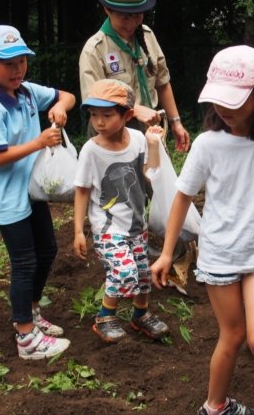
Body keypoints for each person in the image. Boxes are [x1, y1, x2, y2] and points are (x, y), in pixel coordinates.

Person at [151, 45, 254, 415]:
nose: (221, 108)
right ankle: (214, 405)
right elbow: (182, 199)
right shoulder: (208, 145)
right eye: (216, 100)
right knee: (234, 335)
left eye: (231, 101)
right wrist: (165, 252)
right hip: (220, 252)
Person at [0, 25, 75, 359]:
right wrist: (38, 142)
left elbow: (67, 95)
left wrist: (61, 107)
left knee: (46, 252)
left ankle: (31, 313)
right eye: (8, 63)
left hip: (32, 193)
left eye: (22, 61)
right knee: (24, 262)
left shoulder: (27, 92)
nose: (17, 70)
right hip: (8, 198)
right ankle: (26, 339)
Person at [73, 79, 170, 342]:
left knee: (142, 272)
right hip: (107, 229)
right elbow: (82, 190)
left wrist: (152, 145)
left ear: (127, 115)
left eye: (107, 115)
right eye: (94, 115)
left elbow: (150, 176)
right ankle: (105, 317)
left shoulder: (138, 139)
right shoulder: (91, 151)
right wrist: (78, 231)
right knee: (123, 271)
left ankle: (141, 315)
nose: (99, 122)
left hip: (137, 224)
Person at [79, 0, 190, 153]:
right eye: (124, 17)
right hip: (111, 130)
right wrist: (135, 109)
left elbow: (162, 82)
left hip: (150, 126)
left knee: (152, 179)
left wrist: (175, 121)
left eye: (138, 15)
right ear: (107, 10)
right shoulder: (95, 49)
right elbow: (94, 100)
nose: (132, 23)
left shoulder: (147, 35)